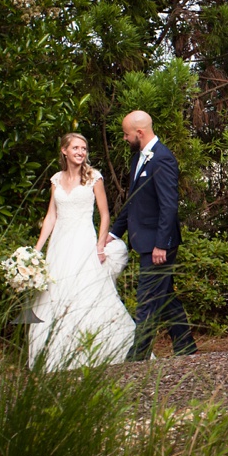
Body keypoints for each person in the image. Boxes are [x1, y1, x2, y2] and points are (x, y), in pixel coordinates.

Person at [27, 133, 134, 369]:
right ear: (64, 151)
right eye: (75, 147)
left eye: (84, 148)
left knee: (87, 293)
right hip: (59, 245)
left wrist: (99, 244)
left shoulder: (93, 178)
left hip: (84, 242)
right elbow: (51, 217)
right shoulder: (56, 179)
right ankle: (57, 356)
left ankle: (98, 350)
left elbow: (105, 214)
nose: (80, 152)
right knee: (55, 294)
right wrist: (36, 250)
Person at [105, 110, 196, 358]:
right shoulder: (138, 159)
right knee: (165, 295)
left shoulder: (163, 159)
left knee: (146, 299)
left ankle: (137, 357)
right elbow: (133, 202)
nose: (125, 139)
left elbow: (169, 205)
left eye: (126, 134)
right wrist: (113, 234)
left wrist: (161, 245)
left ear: (140, 133)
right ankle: (186, 347)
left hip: (158, 245)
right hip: (145, 242)